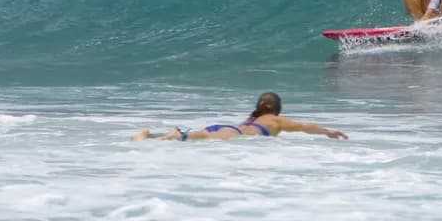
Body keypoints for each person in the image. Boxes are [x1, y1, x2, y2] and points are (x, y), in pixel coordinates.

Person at [130, 92, 348, 141]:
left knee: (199, 136)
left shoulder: (253, 118)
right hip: (232, 134)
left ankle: (149, 135)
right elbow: (304, 126)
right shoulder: (276, 120)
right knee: (192, 138)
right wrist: (328, 131)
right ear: (278, 109)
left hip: (226, 128)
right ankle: (173, 135)